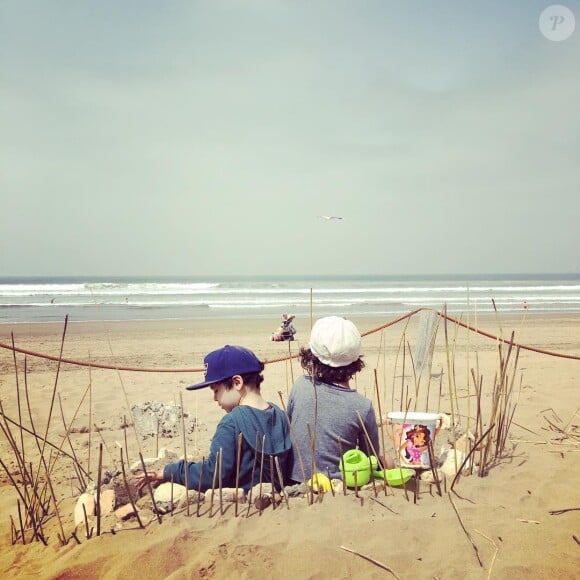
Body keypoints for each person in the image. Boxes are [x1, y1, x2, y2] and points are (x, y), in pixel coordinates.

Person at [137, 345, 292, 493]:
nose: (214, 398)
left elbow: (213, 474)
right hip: (274, 498)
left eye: (216, 390)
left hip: (244, 506)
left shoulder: (231, 423)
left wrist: (170, 471)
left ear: (237, 382)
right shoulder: (279, 414)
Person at [286, 316, 393, 482]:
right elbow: (368, 459)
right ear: (356, 360)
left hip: (293, 478)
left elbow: (291, 428)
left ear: (311, 355)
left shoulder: (300, 385)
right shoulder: (362, 407)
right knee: (387, 461)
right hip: (336, 483)